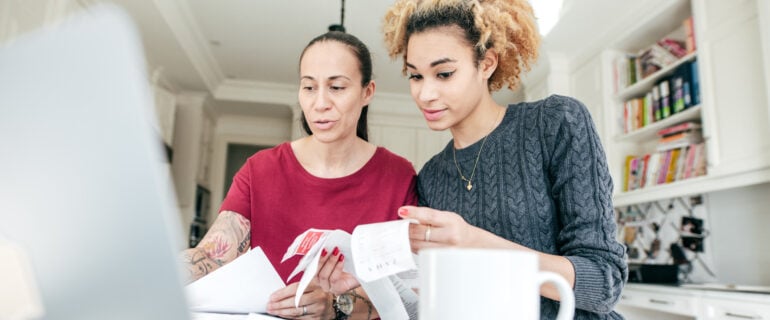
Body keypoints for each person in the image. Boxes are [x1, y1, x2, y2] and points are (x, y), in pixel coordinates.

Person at [321, 0, 628, 319]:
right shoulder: (432, 177)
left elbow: (604, 283)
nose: (425, 94)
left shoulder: (555, 123)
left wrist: (473, 241)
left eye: (444, 73)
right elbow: (439, 296)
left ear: (487, 64)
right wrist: (363, 292)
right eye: (415, 76)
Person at [181, 31, 418, 320]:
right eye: (309, 87)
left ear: (367, 92)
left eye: (337, 87)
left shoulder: (398, 176)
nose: (320, 103)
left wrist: (334, 305)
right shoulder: (260, 170)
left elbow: (405, 292)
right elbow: (213, 256)